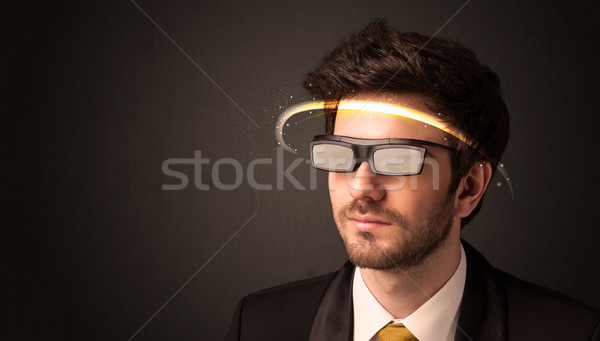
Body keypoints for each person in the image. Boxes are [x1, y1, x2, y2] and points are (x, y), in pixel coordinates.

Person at [225, 20, 600, 341]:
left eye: (398, 159)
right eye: (340, 155)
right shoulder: (257, 327)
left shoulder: (573, 333)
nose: (360, 187)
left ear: (468, 187)